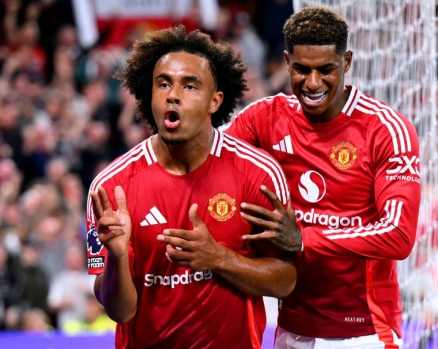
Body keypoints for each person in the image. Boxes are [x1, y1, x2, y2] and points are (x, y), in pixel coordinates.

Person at [85, 25, 296, 349]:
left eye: (190, 86)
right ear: (148, 93)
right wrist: (116, 258)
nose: (173, 94)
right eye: (164, 83)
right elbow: (121, 312)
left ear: (215, 101)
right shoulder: (110, 187)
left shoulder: (258, 174)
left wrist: (219, 258)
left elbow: (286, 282)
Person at [225, 6, 422, 349]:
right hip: (291, 327)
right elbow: (208, 158)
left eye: (325, 70)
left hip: (364, 333)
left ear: (346, 62)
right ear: (286, 62)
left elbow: (399, 235)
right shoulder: (263, 119)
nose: (313, 83)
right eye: (301, 69)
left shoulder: (387, 129)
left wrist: (304, 239)